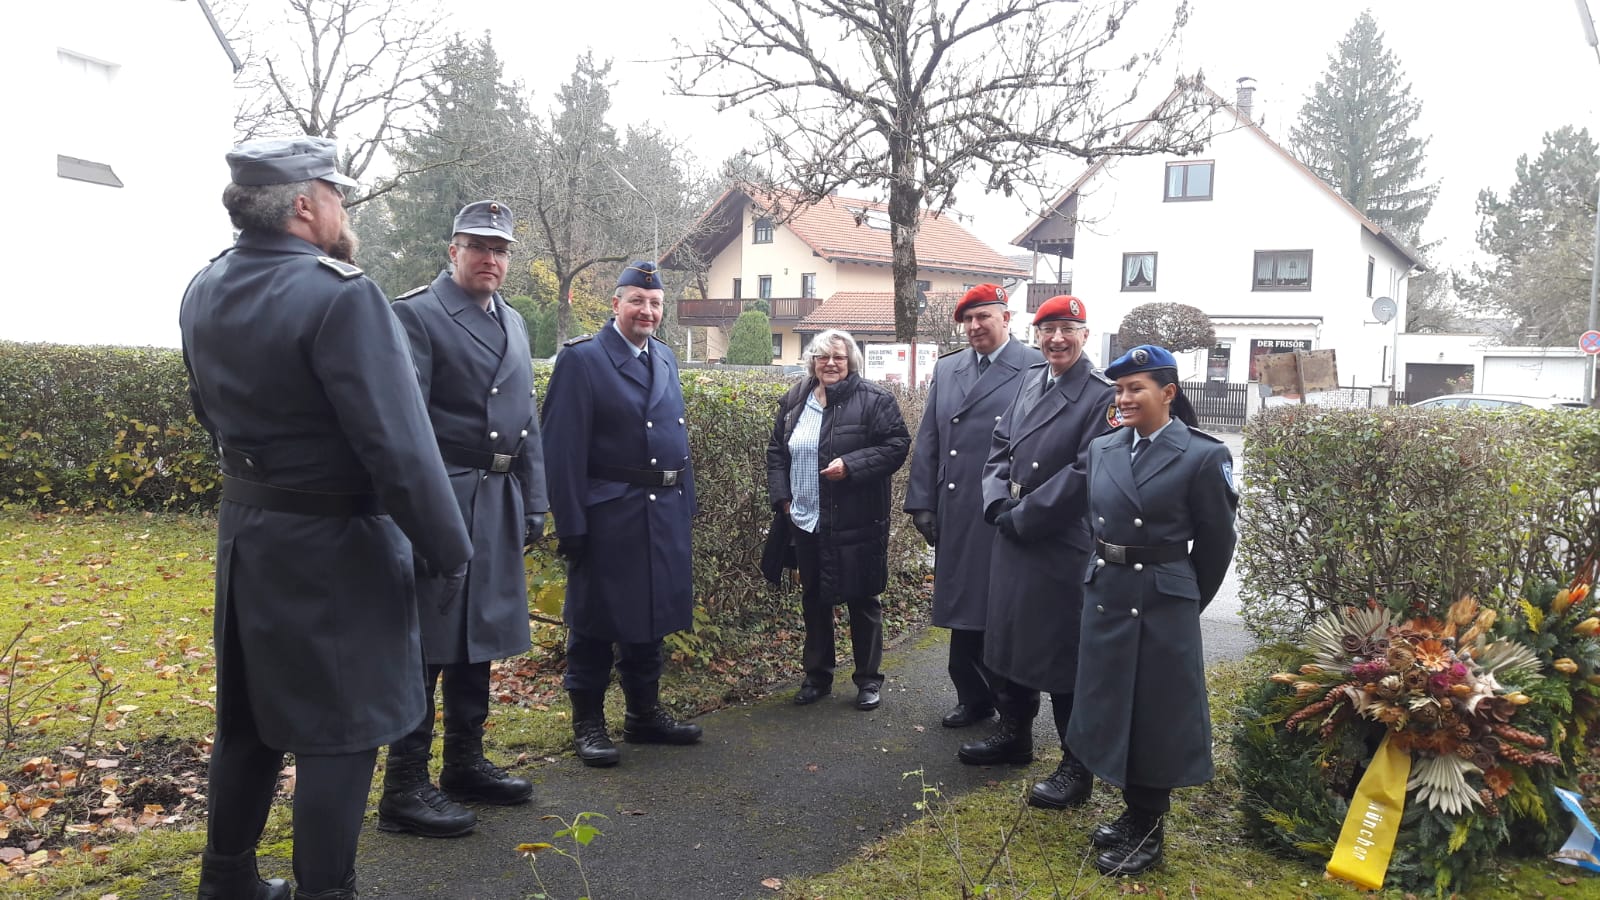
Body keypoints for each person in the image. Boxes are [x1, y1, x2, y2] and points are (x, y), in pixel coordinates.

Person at [180, 137, 472, 900]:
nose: (346, 207)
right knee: (340, 734)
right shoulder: (341, 294)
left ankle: (228, 883)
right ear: (305, 203)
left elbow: (209, 414)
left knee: (246, 719)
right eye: (338, 193)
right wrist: (450, 549)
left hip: (248, 536)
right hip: (337, 548)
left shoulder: (203, 286)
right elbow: (400, 449)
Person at [378, 201, 549, 837]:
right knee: (428, 643)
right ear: (453, 250)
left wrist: (535, 499)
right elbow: (406, 424)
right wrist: (418, 516)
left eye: (500, 249)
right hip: (444, 495)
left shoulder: (515, 321)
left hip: (499, 499)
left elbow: (527, 419)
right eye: (478, 246)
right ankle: (404, 785)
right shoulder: (417, 314)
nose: (490, 259)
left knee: (480, 638)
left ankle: (464, 764)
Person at [1067, 345, 1238, 876]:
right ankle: (1130, 811)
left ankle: (1148, 824)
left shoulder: (1202, 455)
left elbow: (1216, 544)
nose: (1123, 399)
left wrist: (1182, 598)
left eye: (1135, 388)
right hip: (1108, 592)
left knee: (1156, 712)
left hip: (1162, 600)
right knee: (1109, 701)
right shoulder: (1104, 448)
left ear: (1168, 393)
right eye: (1118, 389)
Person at [540, 260, 703, 767]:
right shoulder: (584, 360)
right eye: (637, 301)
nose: (647, 311)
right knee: (594, 622)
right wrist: (570, 524)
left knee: (651, 617)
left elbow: (679, 442)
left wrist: (687, 506)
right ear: (615, 304)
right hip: (609, 514)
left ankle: (643, 716)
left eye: (655, 303)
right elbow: (561, 450)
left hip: (662, 513)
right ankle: (588, 723)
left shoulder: (668, 358)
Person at [959, 295, 1116, 815]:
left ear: (1085, 335)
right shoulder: (1032, 378)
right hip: (1012, 533)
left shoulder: (1100, 395)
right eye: (1047, 329)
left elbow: (1087, 470)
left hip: (1058, 541)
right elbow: (999, 446)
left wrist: (1023, 516)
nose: (1056, 340)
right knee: (1009, 641)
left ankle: (1076, 763)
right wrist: (997, 500)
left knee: (1063, 655)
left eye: (1067, 329)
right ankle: (1015, 735)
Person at [905, 285, 1042, 728]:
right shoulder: (949, 369)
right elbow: (930, 439)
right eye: (968, 319)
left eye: (984, 316)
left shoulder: (1034, 366)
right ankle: (972, 696)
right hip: (956, 505)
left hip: (1002, 507)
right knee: (961, 606)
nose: (975, 326)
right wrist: (922, 502)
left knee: (999, 607)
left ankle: (1009, 703)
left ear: (1007, 318)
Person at [762, 329, 910, 709]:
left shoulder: (875, 400)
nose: (830, 363)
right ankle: (817, 677)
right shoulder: (796, 398)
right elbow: (778, 450)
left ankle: (868, 680)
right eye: (822, 356)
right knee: (814, 599)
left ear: (851, 362)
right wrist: (782, 498)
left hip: (856, 519)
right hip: (805, 518)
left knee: (862, 598)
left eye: (838, 358)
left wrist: (852, 464)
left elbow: (896, 445)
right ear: (812, 360)